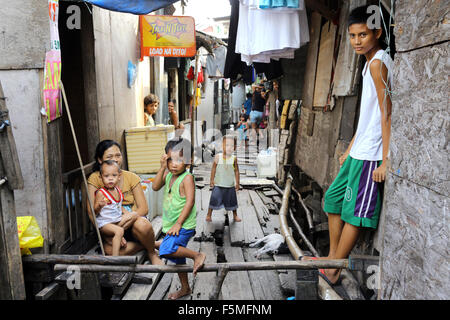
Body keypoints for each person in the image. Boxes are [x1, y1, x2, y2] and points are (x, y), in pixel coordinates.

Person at [303, 5, 393, 286]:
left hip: (372, 155)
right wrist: (352, 144)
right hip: (359, 150)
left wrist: (386, 159)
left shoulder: (379, 63)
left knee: (355, 212)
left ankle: (333, 268)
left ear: (378, 32)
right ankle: (333, 259)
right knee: (332, 200)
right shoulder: (368, 62)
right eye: (353, 35)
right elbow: (367, 114)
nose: (356, 41)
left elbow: (387, 112)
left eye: (363, 34)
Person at [87, 140, 163, 265]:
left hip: (132, 223)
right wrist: (110, 234)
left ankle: (151, 252)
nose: (115, 160)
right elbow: (91, 212)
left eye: (118, 155)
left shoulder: (131, 177)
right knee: (109, 250)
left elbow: (143, 209)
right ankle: (150, 244)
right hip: (110, 225)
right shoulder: (96, 178)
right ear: (100, 160)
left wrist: (130, 216)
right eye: (109, 157)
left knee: (143, 225)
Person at [152, 138, 206, 300]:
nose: (174, 164)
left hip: (183, 225)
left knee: (166, 250)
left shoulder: (187, 178)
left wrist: (178, 223)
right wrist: (162, 168)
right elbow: (155, 187)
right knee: (177, 257)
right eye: (170, 160)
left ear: (188, 162)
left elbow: (190, 202)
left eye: (179, 160)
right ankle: (185, 287)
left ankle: (197, 255)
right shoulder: (169, 175)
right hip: (172, 225)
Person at [94, 160, 126, 256]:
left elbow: (118, 207)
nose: (110, 179)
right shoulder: (101, 193)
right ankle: (114, 258)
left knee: (132, 218)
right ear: (101, 178)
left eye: (114, 175)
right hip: (105, 223)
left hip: (116, 221)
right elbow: (94, 211)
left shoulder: (118, 190)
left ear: (119, 176)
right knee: (120, 231)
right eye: (106, 176)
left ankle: (115, 240)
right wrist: (99, 205)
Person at [206, 135, 241, 223]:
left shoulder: (234, 159)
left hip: (230, 184)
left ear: (235, 147)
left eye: (232, 146)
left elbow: (236, 171)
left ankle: (235, 215)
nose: (229, 148)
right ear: (222, 146)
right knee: (214, 199)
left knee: (232, 201)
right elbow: (213, 168)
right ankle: (209, 214)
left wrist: (238, 182)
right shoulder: (218, 157)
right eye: (227, 145)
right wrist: (211, 180)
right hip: (218, 184)